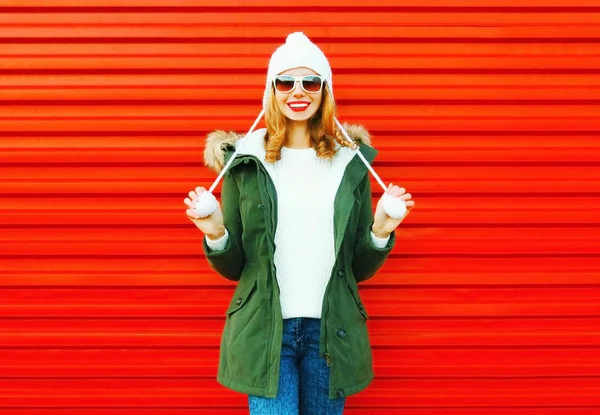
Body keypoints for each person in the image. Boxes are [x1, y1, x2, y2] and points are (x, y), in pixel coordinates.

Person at [184, 32, 414, 415]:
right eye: (285, 81)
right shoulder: (246, 161)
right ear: (271, 90)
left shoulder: (348, 164)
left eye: (310, 81)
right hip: (265, 333)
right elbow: (235, 267)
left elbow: (357, 268)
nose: (298, 91)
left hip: (331, 332)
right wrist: (215, 233)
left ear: (325, 90)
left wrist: (381, 230)